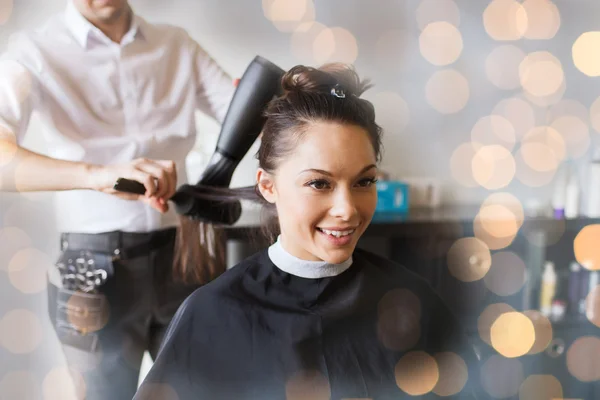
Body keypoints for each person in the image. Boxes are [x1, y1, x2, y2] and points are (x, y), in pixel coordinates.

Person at [133, 64, 482, 400]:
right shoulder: (213, 316)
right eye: (319, 183)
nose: (347, 209)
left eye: (364, 181)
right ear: (268, 186)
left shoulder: (411, 302)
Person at [0, 0, 236, 398]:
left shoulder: (176, 44)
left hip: (187, 254)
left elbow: (255, 120)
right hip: (92, 267)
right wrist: (95, 176)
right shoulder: (33, 51)